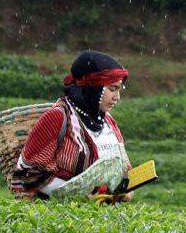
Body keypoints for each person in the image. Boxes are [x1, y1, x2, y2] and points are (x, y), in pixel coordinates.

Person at [11, 50, 133, 202]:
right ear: (93, 87)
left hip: (102, 219)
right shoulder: (58, 117)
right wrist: (78, 196)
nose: (117, 97)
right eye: (112, 89)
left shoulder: (108, 121)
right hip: (64, 215)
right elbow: (30, 173)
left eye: (119, 90)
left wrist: (126, 188)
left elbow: (123, 166)